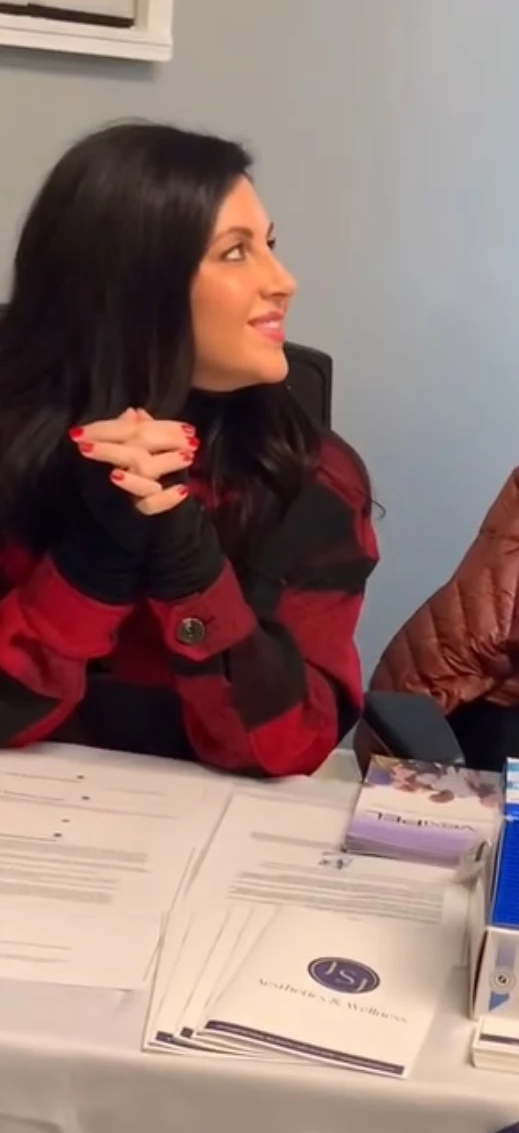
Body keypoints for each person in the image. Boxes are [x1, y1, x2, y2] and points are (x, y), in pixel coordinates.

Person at [0, 122, 378, 775]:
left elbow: (291, 742)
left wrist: (186, 559)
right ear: (132, 285)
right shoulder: (17, 450)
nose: (283, 280)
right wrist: (93, 556)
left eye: (270, 245)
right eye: (235, 252)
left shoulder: (317, 481)